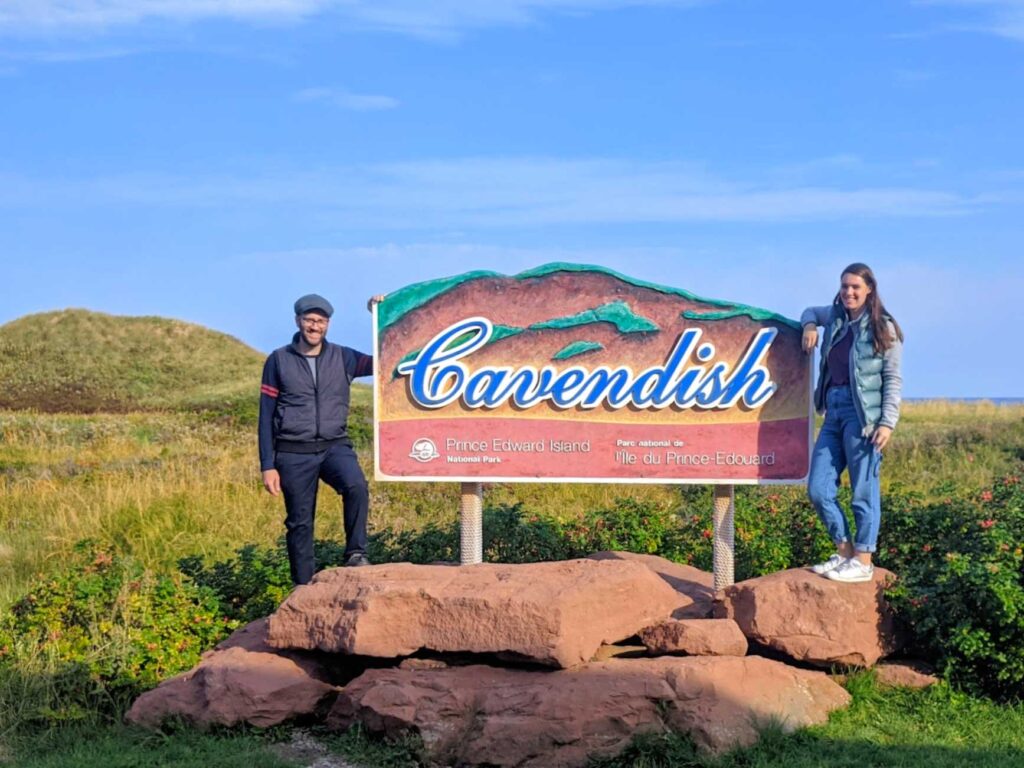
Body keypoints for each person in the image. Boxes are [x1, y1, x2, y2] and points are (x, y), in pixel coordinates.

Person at [258, 293, 381, 584]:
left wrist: (379, 314)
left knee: (356, 487)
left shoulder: (344, 357)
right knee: (300, 522)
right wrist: (267, 464)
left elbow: (384, 359)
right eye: (309, 320)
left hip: (334, 446)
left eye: (321, 321)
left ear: (328, 324)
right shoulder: (278, 360)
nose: (315, 326)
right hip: (292, 452)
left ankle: (355, 553)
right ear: (298, 321)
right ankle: (302, 585)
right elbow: (266, 416)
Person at [801, 263, 903, 583]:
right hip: (833, 411)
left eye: (856, 287)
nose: (849, 292)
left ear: (869, 289)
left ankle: (863, 558)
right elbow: (808, 311)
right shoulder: (835, 318)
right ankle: (843, 551)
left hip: (865, 419)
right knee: (818, 488)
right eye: (845, 286)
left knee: (863, 490)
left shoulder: (882, 328)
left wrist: (887, 422)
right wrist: (809, 327)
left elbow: (892, 379)